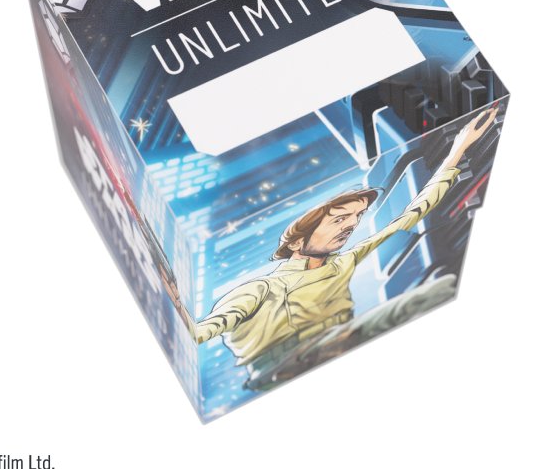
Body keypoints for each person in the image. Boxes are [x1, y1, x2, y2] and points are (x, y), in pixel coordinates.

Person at [194, 106, 499, 386]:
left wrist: (458, 149)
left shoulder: (344, 261)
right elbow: (216, 323)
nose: (350, 225)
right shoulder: (261, 289)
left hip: (342, 345)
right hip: (280, 366)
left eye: (356, 218)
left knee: (440, 289)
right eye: (339, 219)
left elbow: (411, 216)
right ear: (297, 241)